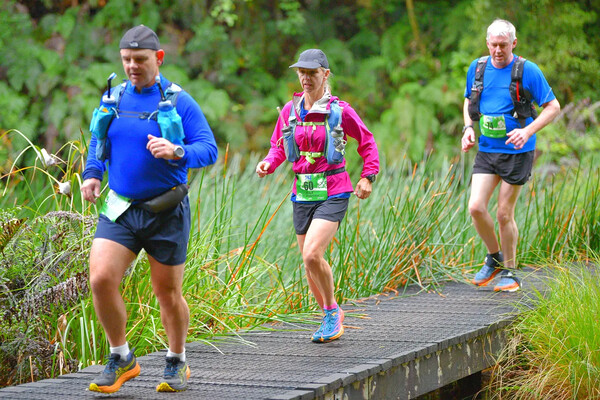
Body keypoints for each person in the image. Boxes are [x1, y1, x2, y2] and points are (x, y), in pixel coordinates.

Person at [80, 25, 218, 393]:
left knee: (167, 293)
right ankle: (121, 356)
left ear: (158, 58)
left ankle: (177, 360)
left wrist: (177, 151)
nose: (132, 66)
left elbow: (209, 149)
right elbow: (97, 140)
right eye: (126, 59)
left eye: (139, 60)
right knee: (100, 278)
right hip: (121, 208)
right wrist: (92, 174)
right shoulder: (113, 98)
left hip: (165, 210)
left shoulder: (179, 101)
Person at [256, 49, 379, 343]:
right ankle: (328, 314)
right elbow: (278, 146)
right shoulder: (290, 111)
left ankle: (333, 311)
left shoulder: (340, 111)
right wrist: (268, 163)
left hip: (334, 189)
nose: (306, 78)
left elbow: (367, 141)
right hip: (302, 191)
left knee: (312, 253)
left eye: (312, 72)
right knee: (307, 261)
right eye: (302, 72)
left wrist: (368, 175)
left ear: (325, 74)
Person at [462, 19, 560, 292]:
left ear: (513, 43)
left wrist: (527, 131)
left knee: (504, 213)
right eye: (493, 45)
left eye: (503, 45)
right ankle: (494, 257)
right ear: (487, 43)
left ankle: (511, 272)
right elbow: (469, 100)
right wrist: (468, 128)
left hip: (517, 151)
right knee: (475, 207)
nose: (498, 50)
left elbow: (553, 107)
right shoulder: (478, 67)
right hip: (487, 149)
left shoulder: (528, 70)